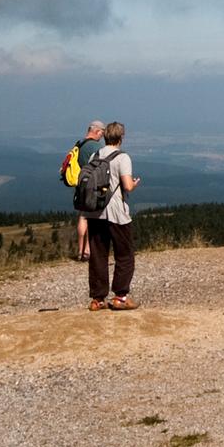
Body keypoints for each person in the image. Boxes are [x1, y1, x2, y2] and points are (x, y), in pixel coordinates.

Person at [83, 121, 139, 311]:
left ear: (106, 136)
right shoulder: (123, 158)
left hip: (95, 211)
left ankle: (97, 299)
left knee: (98, 255)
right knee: (125, 254)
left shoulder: (95, 154)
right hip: (116, 212)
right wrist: (134, 183)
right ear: (120, 137)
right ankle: (120, 297)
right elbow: (127, 185)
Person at [73, 119, 105, 261]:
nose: (101, 137)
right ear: (97, 131)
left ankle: (80, 250)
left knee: (82, 216)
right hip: (93, 183)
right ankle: (88, 249)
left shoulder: (79, 144)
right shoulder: (95, 146)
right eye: (101, 134)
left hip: (80, 183)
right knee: (94, 216)